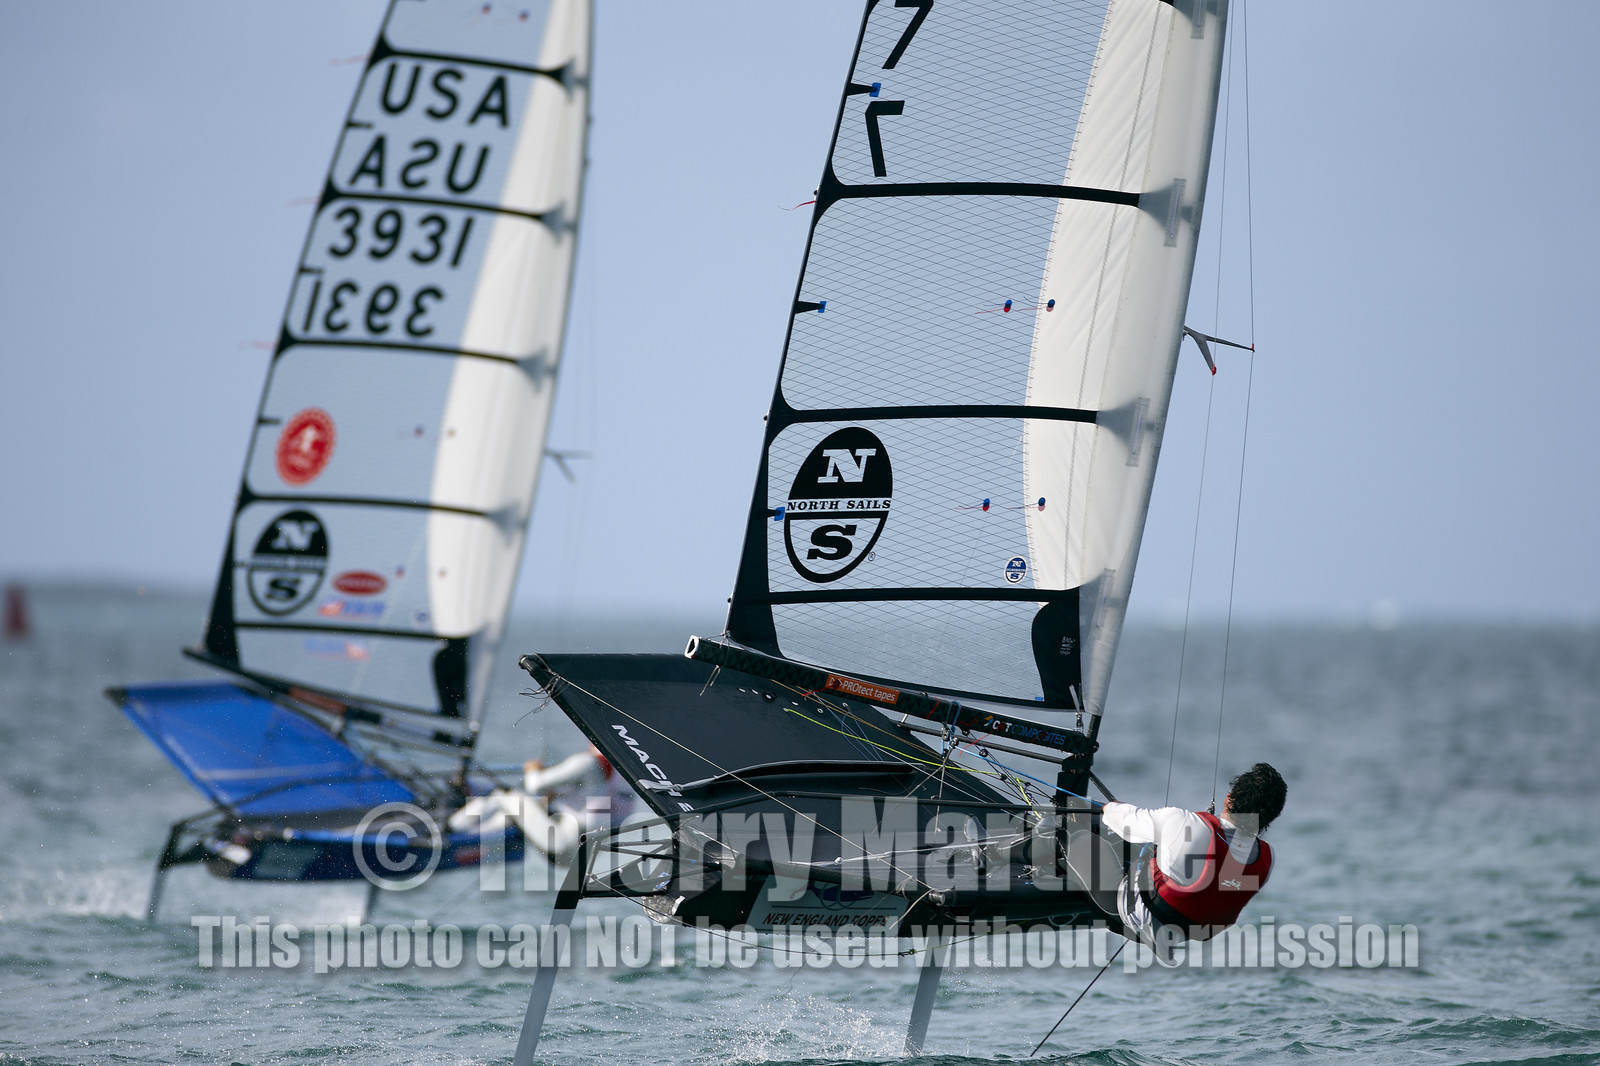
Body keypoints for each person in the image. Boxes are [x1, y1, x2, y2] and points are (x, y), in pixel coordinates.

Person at [1097, 762, 1286, 956]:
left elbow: (1123, 821)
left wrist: (1110, 808)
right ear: (1270, 818)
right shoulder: (1267, 859)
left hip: (1135, 917)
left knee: (1083, 838)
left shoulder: (1184, 822)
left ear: (1229, 799)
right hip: (1183, 937)